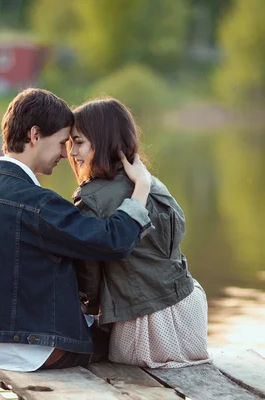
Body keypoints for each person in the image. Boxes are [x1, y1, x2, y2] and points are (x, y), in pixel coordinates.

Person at [0, 89, 154, 372]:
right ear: (35, 136)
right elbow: (113, 241)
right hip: (43, 351)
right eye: (61, 142)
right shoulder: (37, 204)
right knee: (130, 339)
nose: (65, 153)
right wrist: (141, 188)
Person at [68, 97, 210, 368]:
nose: (72, 152)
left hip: (144, 325)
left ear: (103, 141)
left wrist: (90, 313)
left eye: (79, 142)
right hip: (189, 308)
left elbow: (90, 278)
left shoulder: (90, 199)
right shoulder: (150, 183)